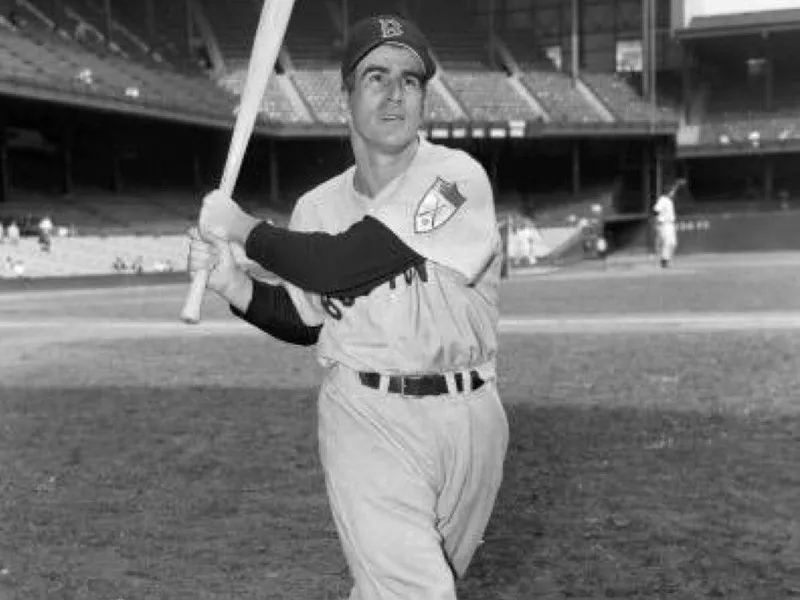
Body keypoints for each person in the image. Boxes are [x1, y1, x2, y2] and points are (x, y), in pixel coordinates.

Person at [187, 14, 508, 600]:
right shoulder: (317, 207)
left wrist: (243, 229)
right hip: (366, 416)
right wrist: (233, 286)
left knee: (397, 586)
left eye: (411, 81)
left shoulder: (456, 179)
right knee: (413, 591)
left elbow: (343, 264)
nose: (395, 93)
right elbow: (309, 319)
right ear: (347, 96)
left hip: (472, 420)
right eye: (376, 77)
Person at [652, 180, 681, 268]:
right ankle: (664, 261)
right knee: (668, 242)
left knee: (673, 243)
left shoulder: (668, 200)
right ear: (668, 191)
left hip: (670, 224)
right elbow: (655, 210)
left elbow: (674, 190)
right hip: (664, 224)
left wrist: (677, 184)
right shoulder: (663, 199)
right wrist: (657, 221)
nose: (673, 192)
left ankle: (666, 259)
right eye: (671, 191)